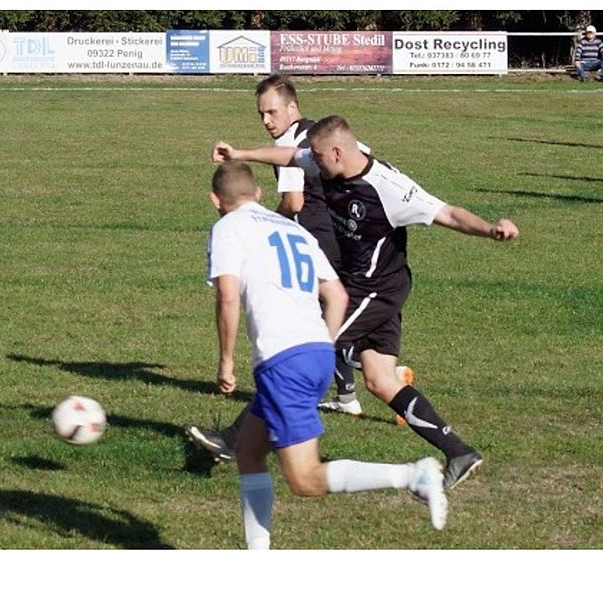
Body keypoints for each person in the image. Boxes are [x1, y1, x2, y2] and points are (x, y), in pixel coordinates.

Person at [213, 116, 519, 490]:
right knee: (379, 379)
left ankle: (231, 440)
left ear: (338, 152)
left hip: (375, 288)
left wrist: (491, 229)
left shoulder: (389, 188)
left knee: (300, 347)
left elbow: (448, 213)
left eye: (320, 158)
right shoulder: (325, 162)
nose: (314, 164)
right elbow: (290, 155)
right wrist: (240, 153)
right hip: (367, 285)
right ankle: (460, 452)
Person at [206, 160, 446, 549]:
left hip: (284, 361)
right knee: (249, 452)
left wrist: (226, 362)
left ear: (215, 199)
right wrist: (320, 342)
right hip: (317, 351)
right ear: (260, 194)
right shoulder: (290, 227)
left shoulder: (227, 228)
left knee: (304, 480)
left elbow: (228, 296)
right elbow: (337, 295)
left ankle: (411, 475)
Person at [184, 75, 411, 464]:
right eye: (261, 114)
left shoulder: (291, 143)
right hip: (347, 242)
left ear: (292, 107)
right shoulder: (322, 136)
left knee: (313, 330)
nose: (267, 120)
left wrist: (261, 227)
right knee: (330, 319)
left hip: (315, 242)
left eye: (272, 111)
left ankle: (371, 380)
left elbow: (293, 201)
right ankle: (348, 395)